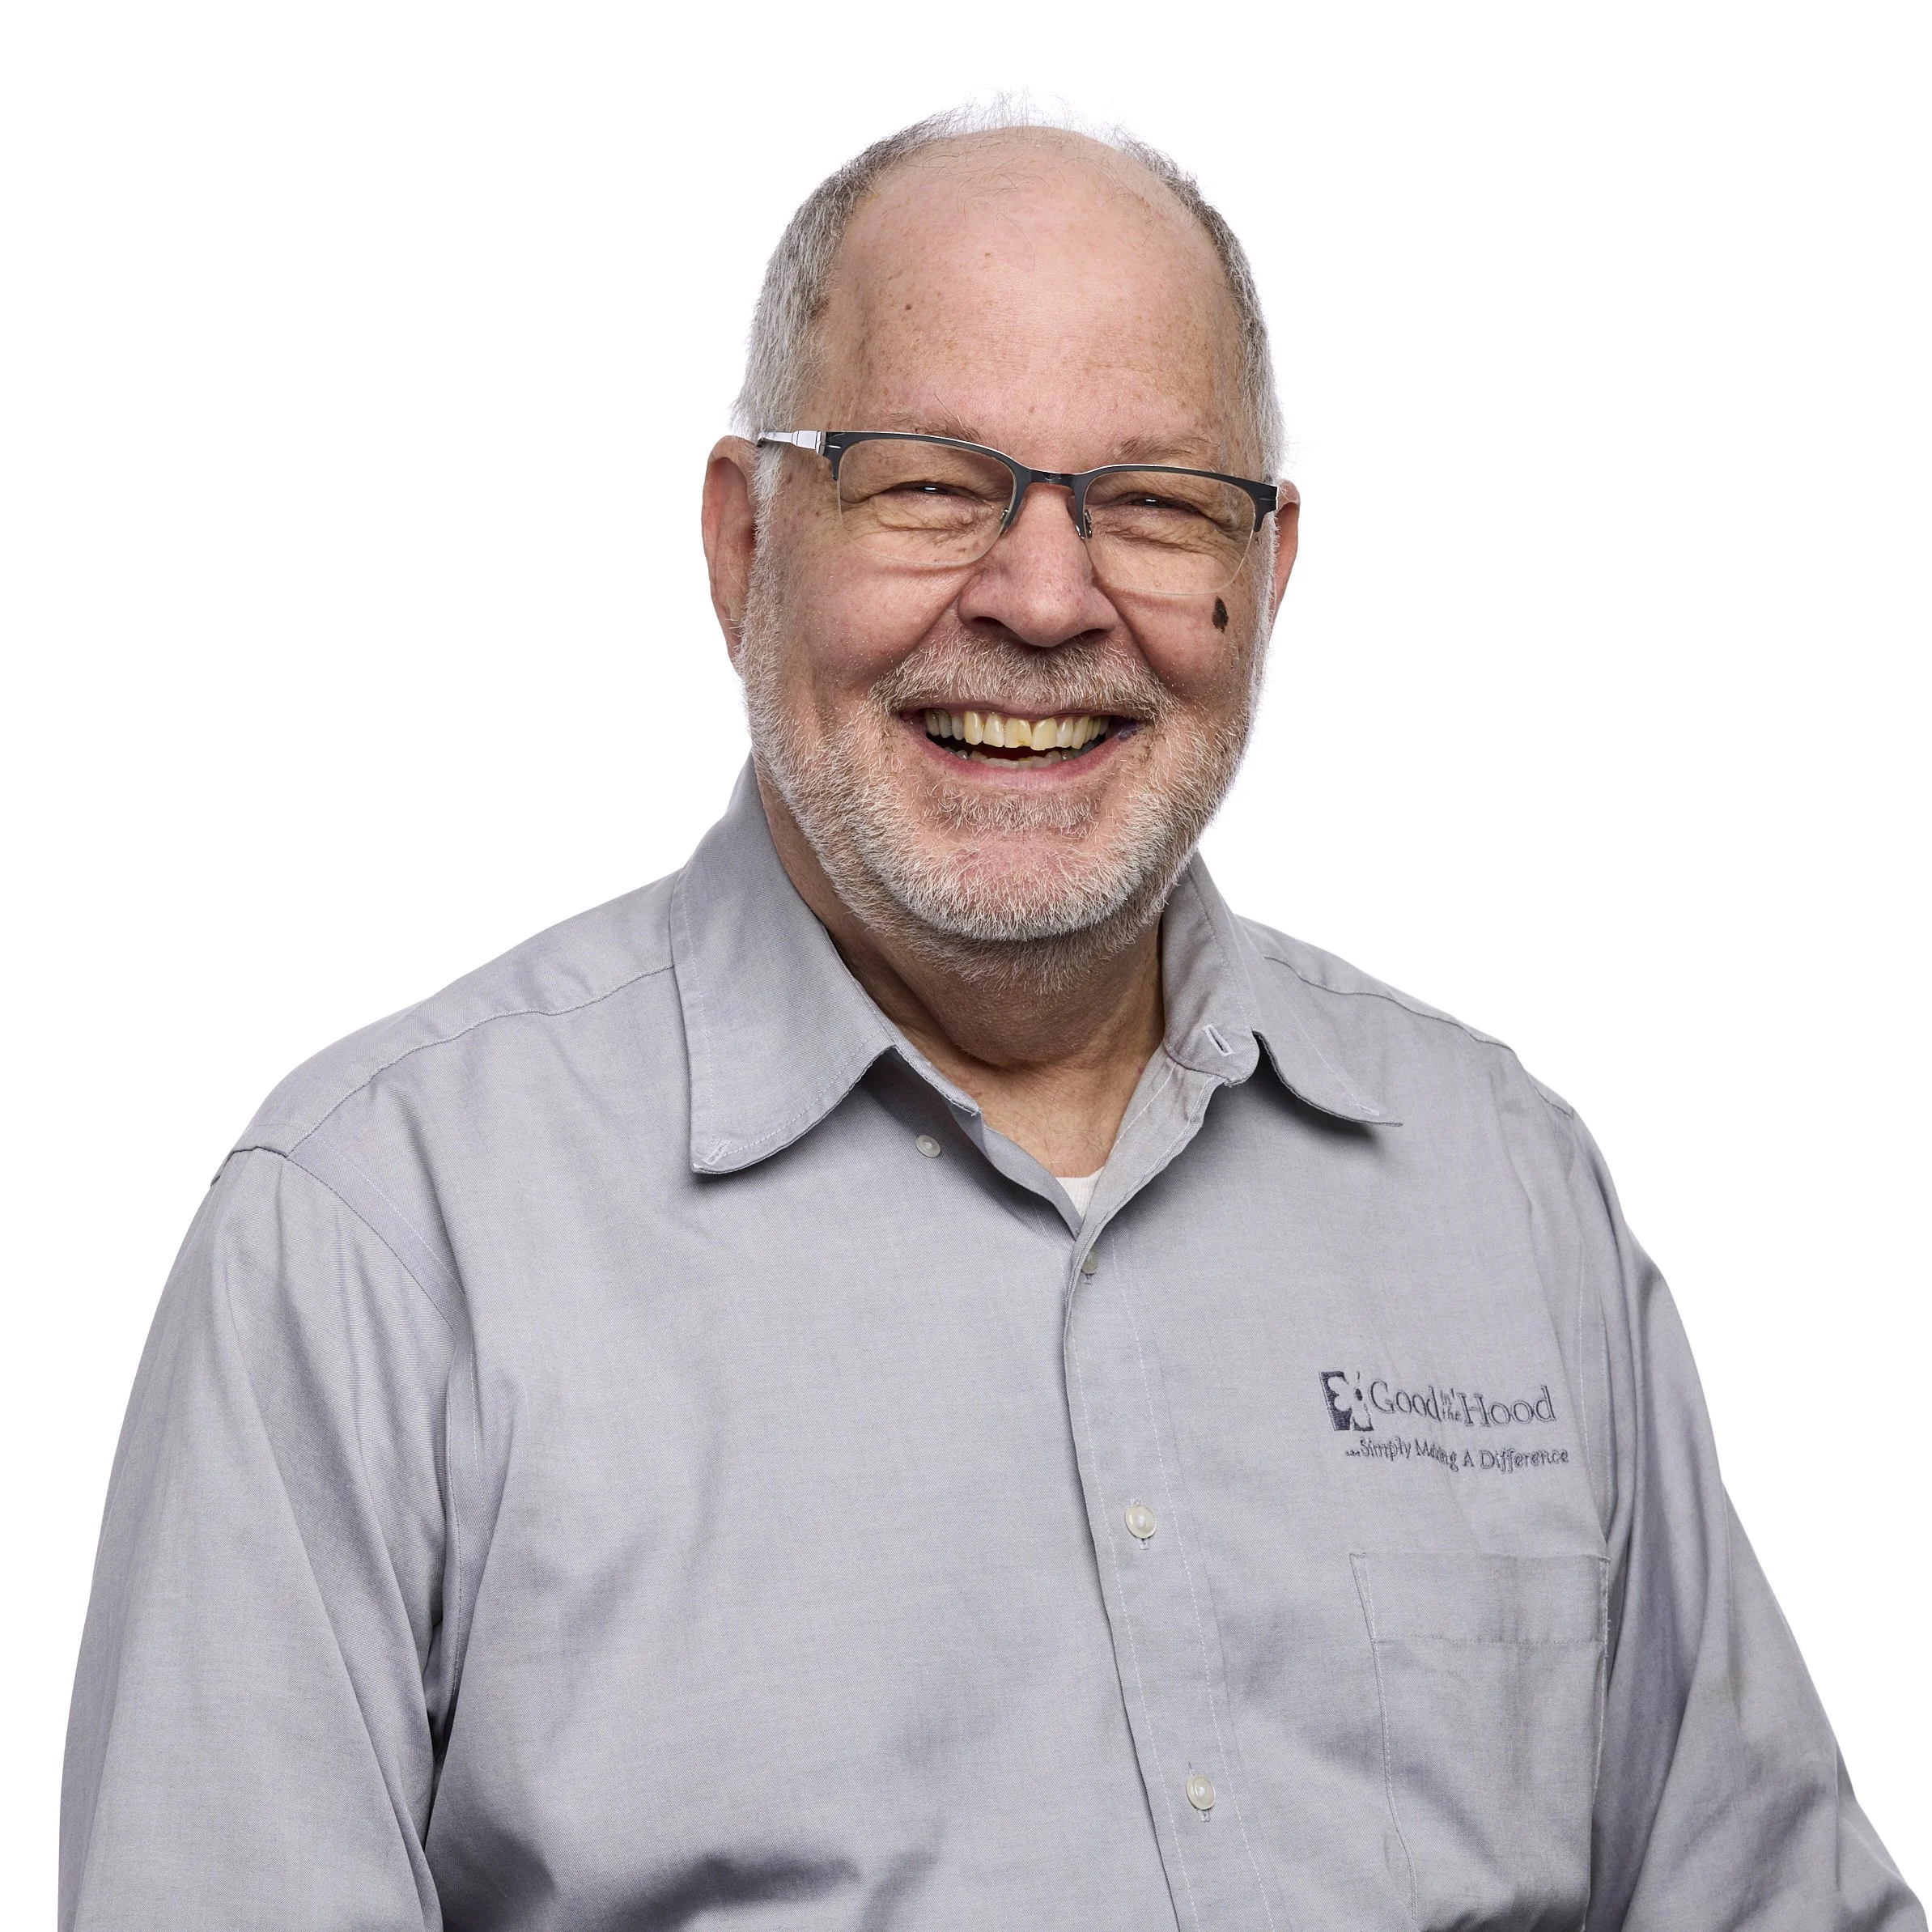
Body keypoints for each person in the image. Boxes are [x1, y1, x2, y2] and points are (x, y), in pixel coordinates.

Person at [61, 107, 1921, 1932]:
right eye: (930, 484)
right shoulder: (381, 1243)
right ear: (742, 544)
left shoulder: (1506, 1196)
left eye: (1153, 501)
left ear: (1263, 578)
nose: (1045, 599)